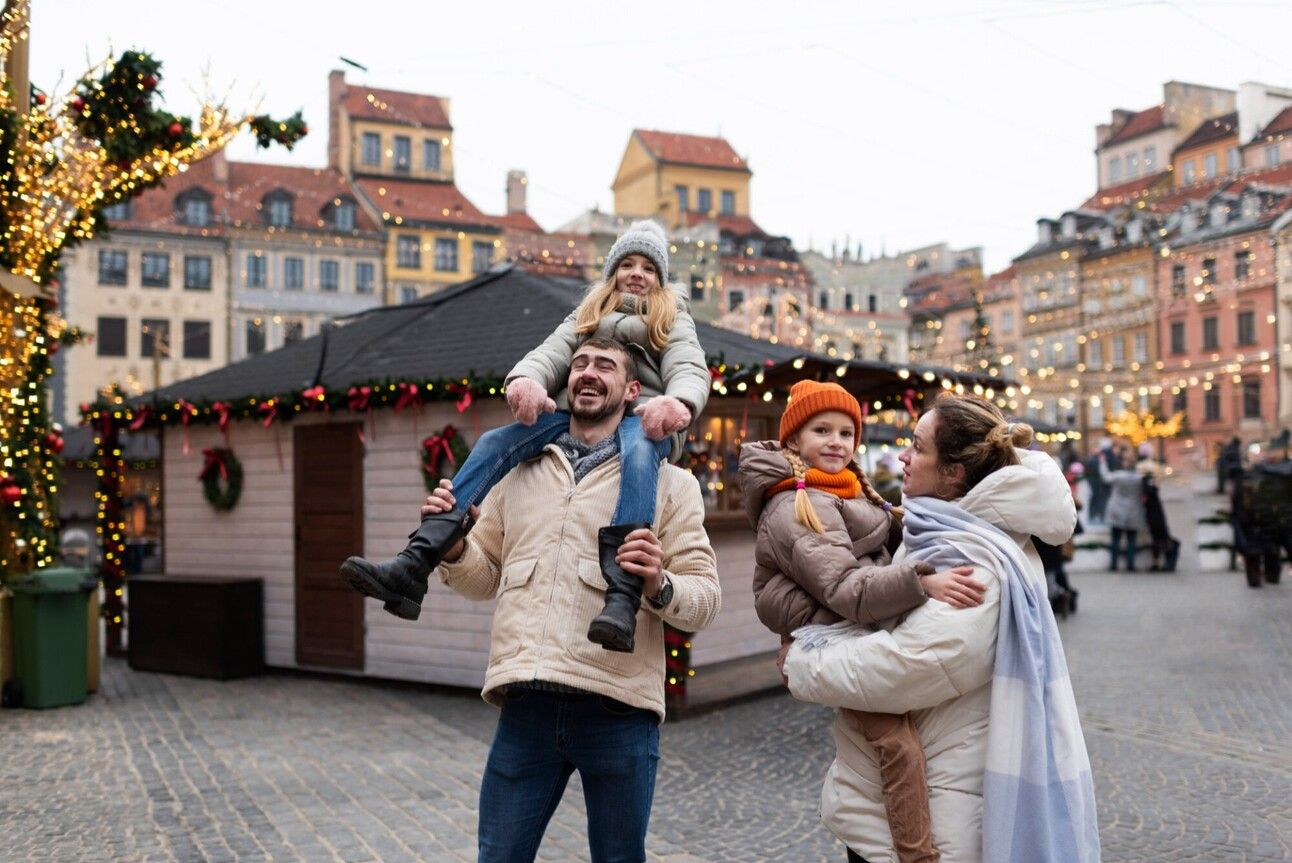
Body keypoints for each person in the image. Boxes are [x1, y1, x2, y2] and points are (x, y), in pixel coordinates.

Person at [340, 220, 709, 653]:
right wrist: (527, 381)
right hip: (577, 414)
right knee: (498, 440)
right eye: (627, 263)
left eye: (648, 267)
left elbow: (688, 365)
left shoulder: (671, 318)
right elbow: (550, 353)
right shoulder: (587, 315)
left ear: (660, 280)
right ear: (611, 274)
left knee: (641, 455)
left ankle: (622, 594)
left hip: (646, 418)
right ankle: (415, 561)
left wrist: (678, 403)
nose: (637, 273)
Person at [420, 337, 721, 862]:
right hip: (526, 706)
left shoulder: (672, 485)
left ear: (631, 391)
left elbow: (705, 600)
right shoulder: (517, 473)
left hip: (618, 707)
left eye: (605, 366)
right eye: (579, 363)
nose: (587, 372)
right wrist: (454, 549)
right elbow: (483, 579)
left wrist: (659, 583)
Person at [778, 394, 1098, 863]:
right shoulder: (947, 532)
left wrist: (802, 660)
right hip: (905, 796)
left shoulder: (974, 559)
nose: (903, 456)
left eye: (918, 446)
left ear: (954, 473)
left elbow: (908, 667)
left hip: (933, 807)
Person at [740, 381, 984, 863]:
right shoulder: (797, 502)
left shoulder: (849, 489)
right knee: (898, 747)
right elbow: (843, 589)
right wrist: (921, 583)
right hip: (825, 634)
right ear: (793, 441)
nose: (836, 441)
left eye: (846, 432)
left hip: (849, 628)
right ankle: (917, 856)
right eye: (821, 430)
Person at [1101, 444, 1148, 572]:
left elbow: (1105, 477)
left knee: (1115, 539)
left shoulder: (1118, 476)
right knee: (1131, 540)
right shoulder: (1140, 478)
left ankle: (1113, 565)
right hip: (1134, 511)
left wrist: (1103, 463)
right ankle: (1130, 565)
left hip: (1117, 510)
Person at [1139, 459, 1179, 573]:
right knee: (1159, 539)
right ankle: (1160, 562)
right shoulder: (1150, 482)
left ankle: (1158, 562)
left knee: (1158, 540)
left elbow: (1148, 497)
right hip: (1156, 515)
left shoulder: (1146, 482)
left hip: (1153, 516)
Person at [1083, 440, 1111, 525]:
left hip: (1098, 482)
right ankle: (1093, 515)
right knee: (1094, 499)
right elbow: (1089, 471)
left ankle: (1097, 515)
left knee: (1099, 499)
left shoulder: (1099, 458)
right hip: (1094, 481)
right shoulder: (1092, 459)